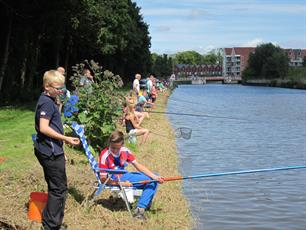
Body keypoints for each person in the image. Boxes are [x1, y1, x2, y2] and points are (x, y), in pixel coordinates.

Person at [33, 70, 80, 230]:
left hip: (53, 151)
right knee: (58, 189)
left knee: (57, 188)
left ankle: (51, 223)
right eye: (57, 88)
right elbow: (44, 128)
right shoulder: (46, 102)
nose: (61, 91)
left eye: (62, 87)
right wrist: (66, 139)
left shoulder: (50, 100)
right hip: (49, 152)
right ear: (47, 86)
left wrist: (62, 152)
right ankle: (50, 226)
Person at [99, 130, 164, 220]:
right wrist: (120, 183)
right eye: (113, 147)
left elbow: (138, 166)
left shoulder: (125, 151)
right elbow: (102, 179)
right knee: (151, 181)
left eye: (117, 148)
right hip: (117, 179)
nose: (115, 150)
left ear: (122, 144)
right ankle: (139, 210)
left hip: (126, 175)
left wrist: (155, 177)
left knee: (154, 176)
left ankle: (144, 203)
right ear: (109, 143)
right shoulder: (104, 155)